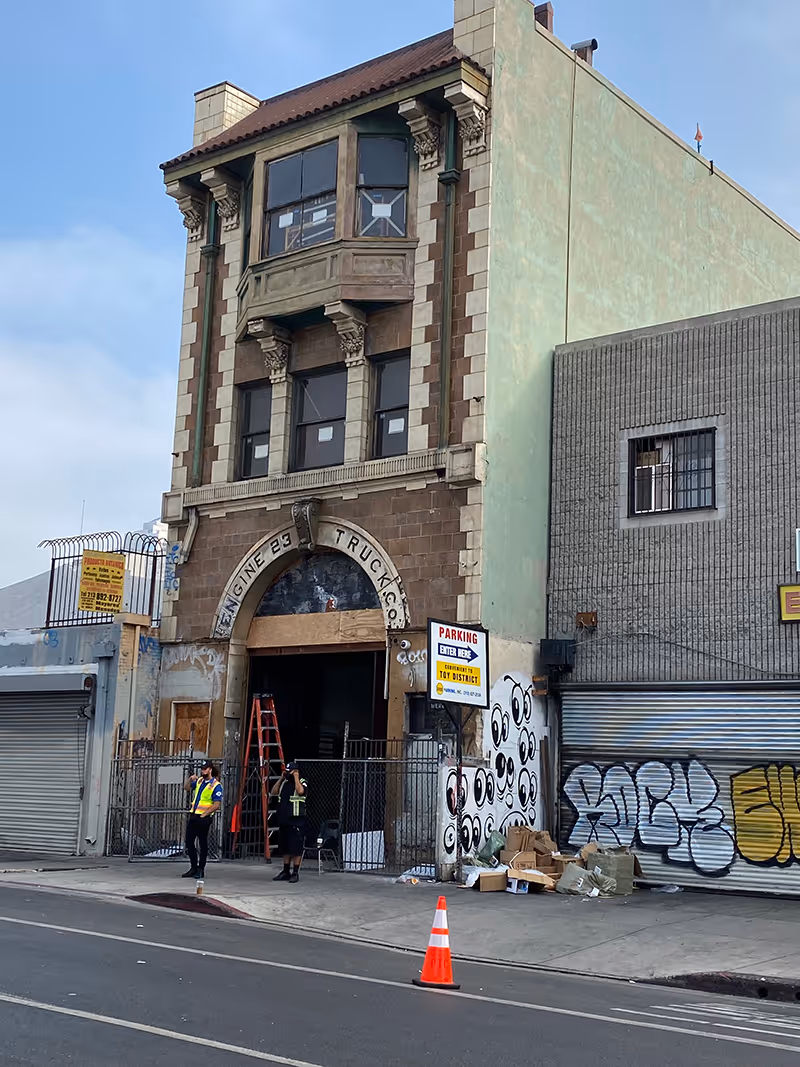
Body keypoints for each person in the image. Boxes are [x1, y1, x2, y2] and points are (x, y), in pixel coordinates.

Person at [182, 760, 222, 879]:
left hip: (204, 818)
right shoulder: (199, 781)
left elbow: (216, 804)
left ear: (210, 769)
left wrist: (205, 814)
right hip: (194, 815)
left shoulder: (216, 785)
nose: (202, 770)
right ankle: (193, 867)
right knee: (189, 842)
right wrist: (190, 779)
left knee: (202, 844)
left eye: (205, 768)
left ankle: (201, 869)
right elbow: (186, 788)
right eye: (202, 768)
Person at [270, 762, 307, 883]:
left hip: (296, 820)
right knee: (285, 846)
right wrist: (281, 778)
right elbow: (274, 792)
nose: (287, 774)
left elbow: (301, 791)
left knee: (296, 847)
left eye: (289, 771)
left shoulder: (302, 781)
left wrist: (296, 777)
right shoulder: (284, 783)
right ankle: (286, 871)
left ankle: (295, 872)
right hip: (284, 819)